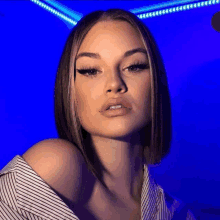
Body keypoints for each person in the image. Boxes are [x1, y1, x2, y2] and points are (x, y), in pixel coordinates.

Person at [0, 8, 196, 220]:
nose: (114, 84)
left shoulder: (177, 213)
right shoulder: (55, 164)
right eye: (91, 70)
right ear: (70, 90)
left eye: (134, 66)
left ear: (156, 82)